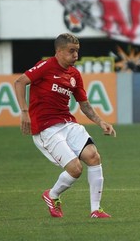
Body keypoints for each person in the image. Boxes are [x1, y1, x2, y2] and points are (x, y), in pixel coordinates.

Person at [14, 33, 116, 219]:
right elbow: (20, 82)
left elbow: (84, 104)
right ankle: (52, 195)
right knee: (75, 169)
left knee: (93, 157)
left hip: (67, 123)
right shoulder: (45, 66)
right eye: (71, 51)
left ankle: (95, 210)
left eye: (77, 51)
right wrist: (24, 112)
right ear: (59, 52)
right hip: (46, 128)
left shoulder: (74, 74)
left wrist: (101, 122)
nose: (76, 55)